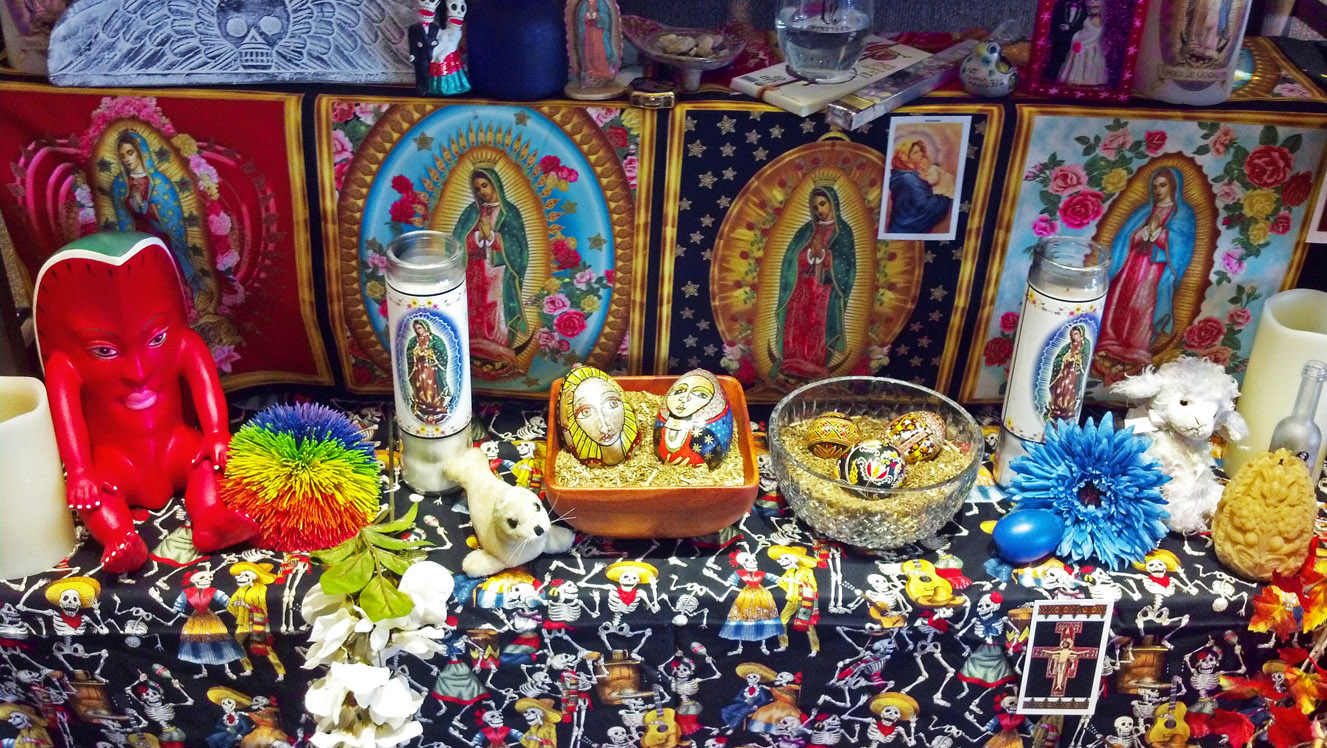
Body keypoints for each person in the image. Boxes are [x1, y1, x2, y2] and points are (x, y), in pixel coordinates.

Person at [1098, 167, 1196, 368]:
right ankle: (1111, 343)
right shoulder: (1144, 211)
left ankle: (1136, 350)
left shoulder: (1182, 213)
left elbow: (1183, 244)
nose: (1158, 190)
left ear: (1173, 186)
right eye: (1155, 186)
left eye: (1163, 185)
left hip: (1155, 268)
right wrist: (1139, 234)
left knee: (1143, 305)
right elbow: (1124, 237)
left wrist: (1162, 235)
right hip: (1132, 264)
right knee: (1121, 299)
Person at [772, 185, 857, 380]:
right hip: (802, 286)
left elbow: (847, 265)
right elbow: (791, 257)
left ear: (833, 203)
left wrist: (825, 255)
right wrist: (809, 253)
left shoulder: (843, 231)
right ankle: (792, 361)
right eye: (815, 206)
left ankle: (814, 364)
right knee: (796, 321)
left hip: (824, 290)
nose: (819, 210)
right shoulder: (807, 230)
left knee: (816, 324)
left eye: (822, 204)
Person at [452, 166, 530, 371]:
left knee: (496, 312)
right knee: (475, 311)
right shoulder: (471, 212)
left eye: (485, 185)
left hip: (499, 275)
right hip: (474, 273)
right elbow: (457, 241)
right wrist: (478, 237)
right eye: (477, 188)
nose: (481, 192)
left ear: (495, 185)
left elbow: (519, 247)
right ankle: (474, 353)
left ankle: (498, 354)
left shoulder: (509, 212)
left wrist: (493, 237)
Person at [109, 131, 197, 291]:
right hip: (136, 244)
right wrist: (131, 203)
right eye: (122, 156)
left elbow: (171, 214)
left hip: (161, 241)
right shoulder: (120, 184)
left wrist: (143, 205)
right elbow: (121, 216)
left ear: (140, 152)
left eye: (130, 152)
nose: (127, 159)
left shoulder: (159, 181)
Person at [886, 139, 954, 235]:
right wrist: (944, 199)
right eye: (916, 152)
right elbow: (926, 207)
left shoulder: (906, 175)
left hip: (904, 229)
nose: (921, 154)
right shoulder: (908, 178)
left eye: (920, 151)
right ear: (906, 157)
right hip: (906, 230)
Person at [406, 319, 450, 423]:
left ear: (425, 327)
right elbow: (409, 352)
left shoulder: (435, 339)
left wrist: (431, 354)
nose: (418, 330)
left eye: (419, 328)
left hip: (431, 367)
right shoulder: (413, 341)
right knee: (420, 386)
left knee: (431, 386)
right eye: (416, 329)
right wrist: (415, 353)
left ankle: (435, 405)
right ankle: (421, 405)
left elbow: (442, 352)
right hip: (419, 368)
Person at [1057, 0, 1108, 86]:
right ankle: (1077, 77)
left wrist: (1082, 40)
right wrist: (1078, 38)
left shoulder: (1097, 20)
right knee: (1078, 60)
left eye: (1096, 8)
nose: (1093, 10)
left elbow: (1095, 33)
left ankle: (1086, 79)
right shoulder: (1087, 17)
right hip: (1081, 41)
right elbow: (1084, 30)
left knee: (1087, 60)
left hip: (1088, 43)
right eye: (1091, 8)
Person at [1045, 325, 1089, 422]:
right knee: (1060, 390)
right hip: (1064, 373)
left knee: (1069, 392)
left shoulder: (1085, 345)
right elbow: (1058, 358)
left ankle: (1067, 413)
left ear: (1081, 334)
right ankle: (1056, 411)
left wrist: (1078, 360)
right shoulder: (1068, 346)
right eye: (1072, 335)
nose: (1074, 337)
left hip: (1074, 374)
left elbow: (1085, 359)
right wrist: (1064, 360)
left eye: (1076, 334)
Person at [572, 0, 619, 85]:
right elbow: (580, 20)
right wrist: (586, 16)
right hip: (588, 34)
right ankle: (590, 72)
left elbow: (607, 18)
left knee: (599, 51)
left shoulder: (601, 3)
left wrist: (597, 16)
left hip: (599, 34)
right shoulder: (584, 4)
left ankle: (602, 73)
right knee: (589, 52)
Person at [1183, 0, 1235, 66]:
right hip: (1202, 6)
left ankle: (1207, 48)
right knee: (1198, 23)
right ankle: (1196, 46)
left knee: (1211, 26)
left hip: (1215, 7)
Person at [1047, 0, 1086, 81]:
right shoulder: (1062, 5)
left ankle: (1066, 77)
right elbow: (1055, 19)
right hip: (1060, 37)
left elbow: (1084, 25)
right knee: (1057, 57)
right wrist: (1059, 27)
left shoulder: (1085, 9)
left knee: (1071, 59)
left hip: (1075, 38)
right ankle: (1053, 76)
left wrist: (1071, 28)